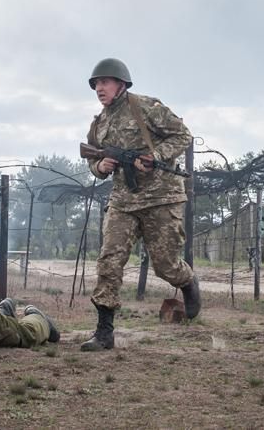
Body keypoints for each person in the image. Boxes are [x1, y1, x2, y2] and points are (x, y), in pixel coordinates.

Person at [80, 58, 200, 352]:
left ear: (121, 84)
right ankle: (104, 332)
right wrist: (101, 167)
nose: (99, 88)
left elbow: (183, 135)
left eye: (105, 82)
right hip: (123, 200)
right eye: (96, 83)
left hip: (162, 198)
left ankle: (187, 282)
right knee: (109, 260)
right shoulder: (99, 124)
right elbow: (93, 162)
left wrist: (156, 155)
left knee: (165, 266)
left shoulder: (145, 107)